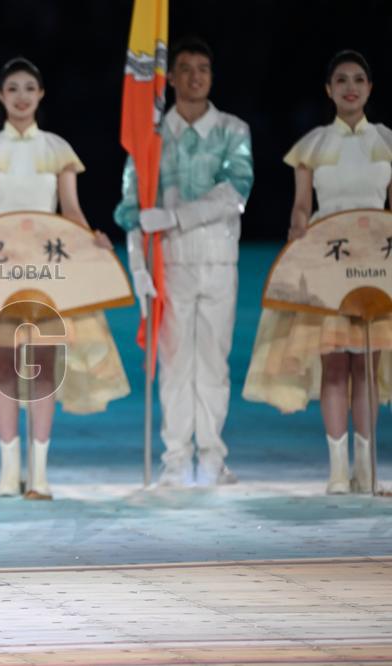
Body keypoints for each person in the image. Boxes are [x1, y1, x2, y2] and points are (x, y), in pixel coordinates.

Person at [0, 57, 129, 500]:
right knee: (4, 366)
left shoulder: (56, 147)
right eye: (12, 88)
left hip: (48, 274)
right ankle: (8, 470)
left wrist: (91, 237)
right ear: (0, 95)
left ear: (41, 94)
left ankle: (40, 474)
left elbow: (70, 210)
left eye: (29, 88)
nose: (21, 96)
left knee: (44, 365)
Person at [243, 50, 392, 494]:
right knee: (335, 364)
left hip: (375, 263)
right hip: (330, 262)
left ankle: (367, 470)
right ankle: (337, 472)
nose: (351, 87)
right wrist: (297, 231)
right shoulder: (313, 144)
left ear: (370, 88)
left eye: (359, 79)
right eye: (341, 80)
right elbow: (301, 206)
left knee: (366, 364)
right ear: (329, 90)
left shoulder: (386, 140)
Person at [114, 37, 254, 487]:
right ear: (170, 77)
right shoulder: (149, 136)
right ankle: (176, 458)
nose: (196, 77)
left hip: (217, 260)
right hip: (169, 263)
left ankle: (212, 456)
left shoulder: (232, 130)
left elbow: (235, 192)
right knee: (174, 364)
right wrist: (138, 269)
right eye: (186, 69)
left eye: (203, 69)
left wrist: (177, 216)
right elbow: (133, 208)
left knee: (213, 362)